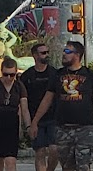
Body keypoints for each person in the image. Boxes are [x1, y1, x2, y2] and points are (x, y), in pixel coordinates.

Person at [29, 40, 93, 171]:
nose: (64, 54)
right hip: (63, 129)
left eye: (67, 51)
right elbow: (47, 100)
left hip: (85, 129)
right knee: (67, 167)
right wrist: (35, 122)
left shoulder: (89, 75)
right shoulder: (57, 75)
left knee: (83, 166)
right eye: (64, 50)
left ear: (77, 55)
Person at [0, 58, 31, 171]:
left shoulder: (19, 87)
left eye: (12, 75)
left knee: (11, 162)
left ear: (16, 73)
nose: (9, 78)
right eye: (5, 74)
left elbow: (25, 109)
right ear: (1, 72)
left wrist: (28, 126)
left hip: (12, 127)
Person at [21, 43, 59, 171]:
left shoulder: (54, 73)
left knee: (54, 150)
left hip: (53, 118)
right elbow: (23, 102)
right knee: (40, 151)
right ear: (35, 55)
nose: (46, 55)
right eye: (43, 53)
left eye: (47, 52)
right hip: (36, 120)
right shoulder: (27, 76)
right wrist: (27, 125)